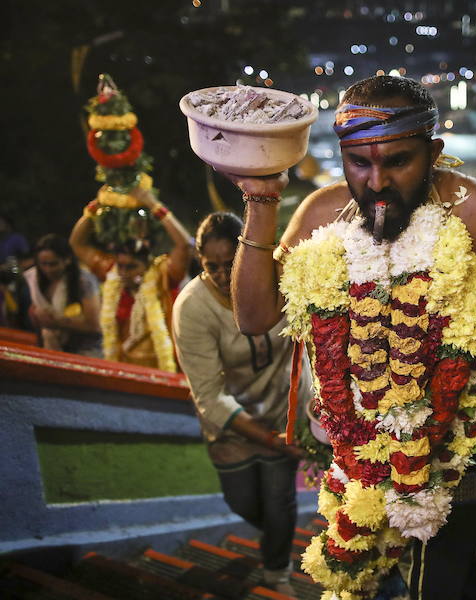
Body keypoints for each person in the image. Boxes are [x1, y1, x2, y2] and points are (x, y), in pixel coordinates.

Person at [224, 75, 476, 600]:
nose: (377, 181)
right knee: (369, 576)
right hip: (355, 440)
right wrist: (261, 201)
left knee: (438, 583)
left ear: (434, 152)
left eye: (398, 161)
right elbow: (253, 316)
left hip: (454, 446)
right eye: (359, 162)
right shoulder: (321, 212)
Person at [172, 212, 322, 598]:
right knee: (241, 502)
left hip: (283, 410)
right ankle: (275, 539)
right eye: (213, 266)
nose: (224, 276)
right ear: (200, 261)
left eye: (232, 263)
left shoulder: (282, 281)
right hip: (233, 423)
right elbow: (208, 396)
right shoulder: (192, 307)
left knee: (278, 499)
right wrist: (269, 440)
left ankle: (277, 573)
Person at [69, 186, 193, 371]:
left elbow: (185, 245)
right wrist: (98, 204)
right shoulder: (112, 274)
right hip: (121, 369)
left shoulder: (162, 275)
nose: (123, 272)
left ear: (147, 264)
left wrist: (154, 205)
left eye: (131, 267)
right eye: (121, 266)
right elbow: (76, 243)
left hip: (162, 370)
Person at [22, 234, 102, 356]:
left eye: (53, 264)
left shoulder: (84, 281)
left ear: (67, 260)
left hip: (86, 350)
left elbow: (95, 326)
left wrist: (56, 322)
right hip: (50, 344)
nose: (48, 269)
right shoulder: (34, 277)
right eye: (43, 264)